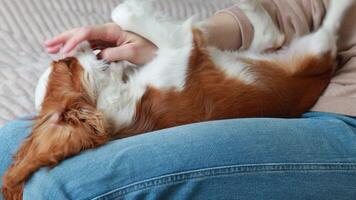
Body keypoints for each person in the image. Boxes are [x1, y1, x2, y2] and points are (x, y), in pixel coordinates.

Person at [1, 0, 356, 199]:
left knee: (58, 188)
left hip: (344, 123)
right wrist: (160, 43)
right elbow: (299, 9)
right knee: (7, 149)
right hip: (300, 85)